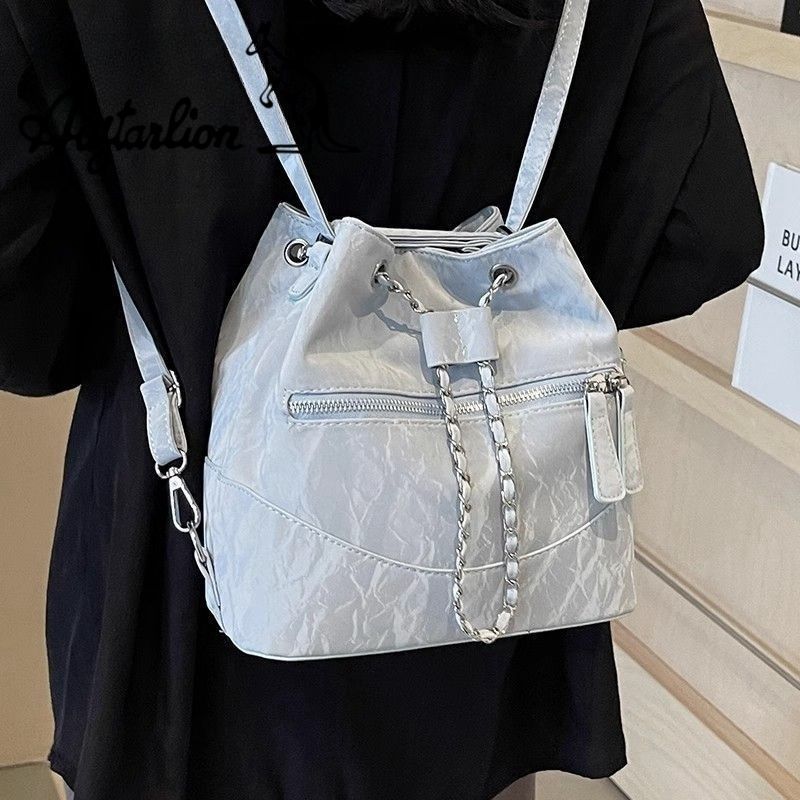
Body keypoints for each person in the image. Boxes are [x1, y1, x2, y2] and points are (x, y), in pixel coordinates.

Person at [0, 0, 763, 798]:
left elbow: (25, 326)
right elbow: (708, 233)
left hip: (184, 590)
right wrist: (500, 313)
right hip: (487, 565)